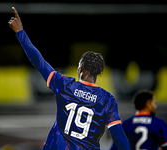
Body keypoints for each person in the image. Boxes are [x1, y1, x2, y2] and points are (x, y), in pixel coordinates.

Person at [8, 7, 131, 150]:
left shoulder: (65, 85)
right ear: (98, 73)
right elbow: (119, 136)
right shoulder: (108, 100)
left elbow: (39, 62)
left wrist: (20, 32)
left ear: (81, 68)